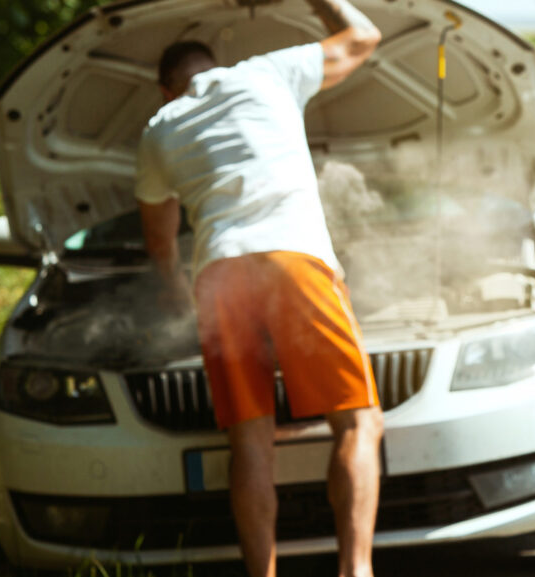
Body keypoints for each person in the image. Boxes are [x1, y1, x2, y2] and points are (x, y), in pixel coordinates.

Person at [134, 2, 383, 576]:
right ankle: (356, 570)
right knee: (359, 423)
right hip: (292, 257)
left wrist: (174, 298)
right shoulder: (263, 73)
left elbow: (160, 241)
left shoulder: (158, 129)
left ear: (166, 89)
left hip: (218, 275)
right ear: (213, 65)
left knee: (250, 443)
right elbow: (363, 36)